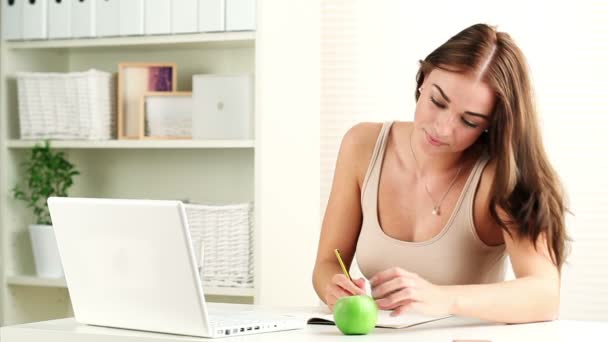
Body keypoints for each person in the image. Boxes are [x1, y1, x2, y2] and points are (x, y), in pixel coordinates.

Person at [312, 23, 569, 324]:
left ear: (491, 124)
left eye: (469, 121)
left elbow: (544, 295)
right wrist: (334, 288)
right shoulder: (362, 146)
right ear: (423, 79)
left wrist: (440, 297)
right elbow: (328, 263)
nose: (443, 128)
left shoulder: (497, 177)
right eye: (437, 101)